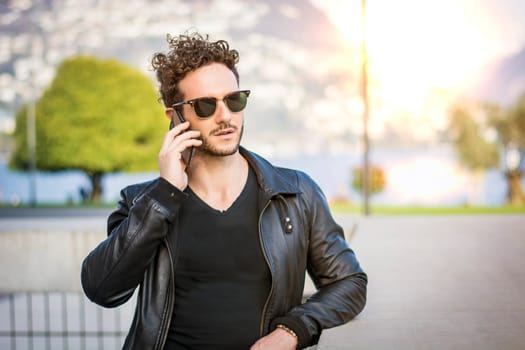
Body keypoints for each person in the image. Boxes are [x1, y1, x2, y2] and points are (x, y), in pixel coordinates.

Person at [81, 31, 367, 350]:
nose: (225, 116)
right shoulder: (143, 202)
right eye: (205, 105)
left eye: (234, 99)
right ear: (175, 117)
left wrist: (293, 330)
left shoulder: (296, 194)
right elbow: (101, 289)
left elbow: (350, 283)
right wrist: (164, 195)